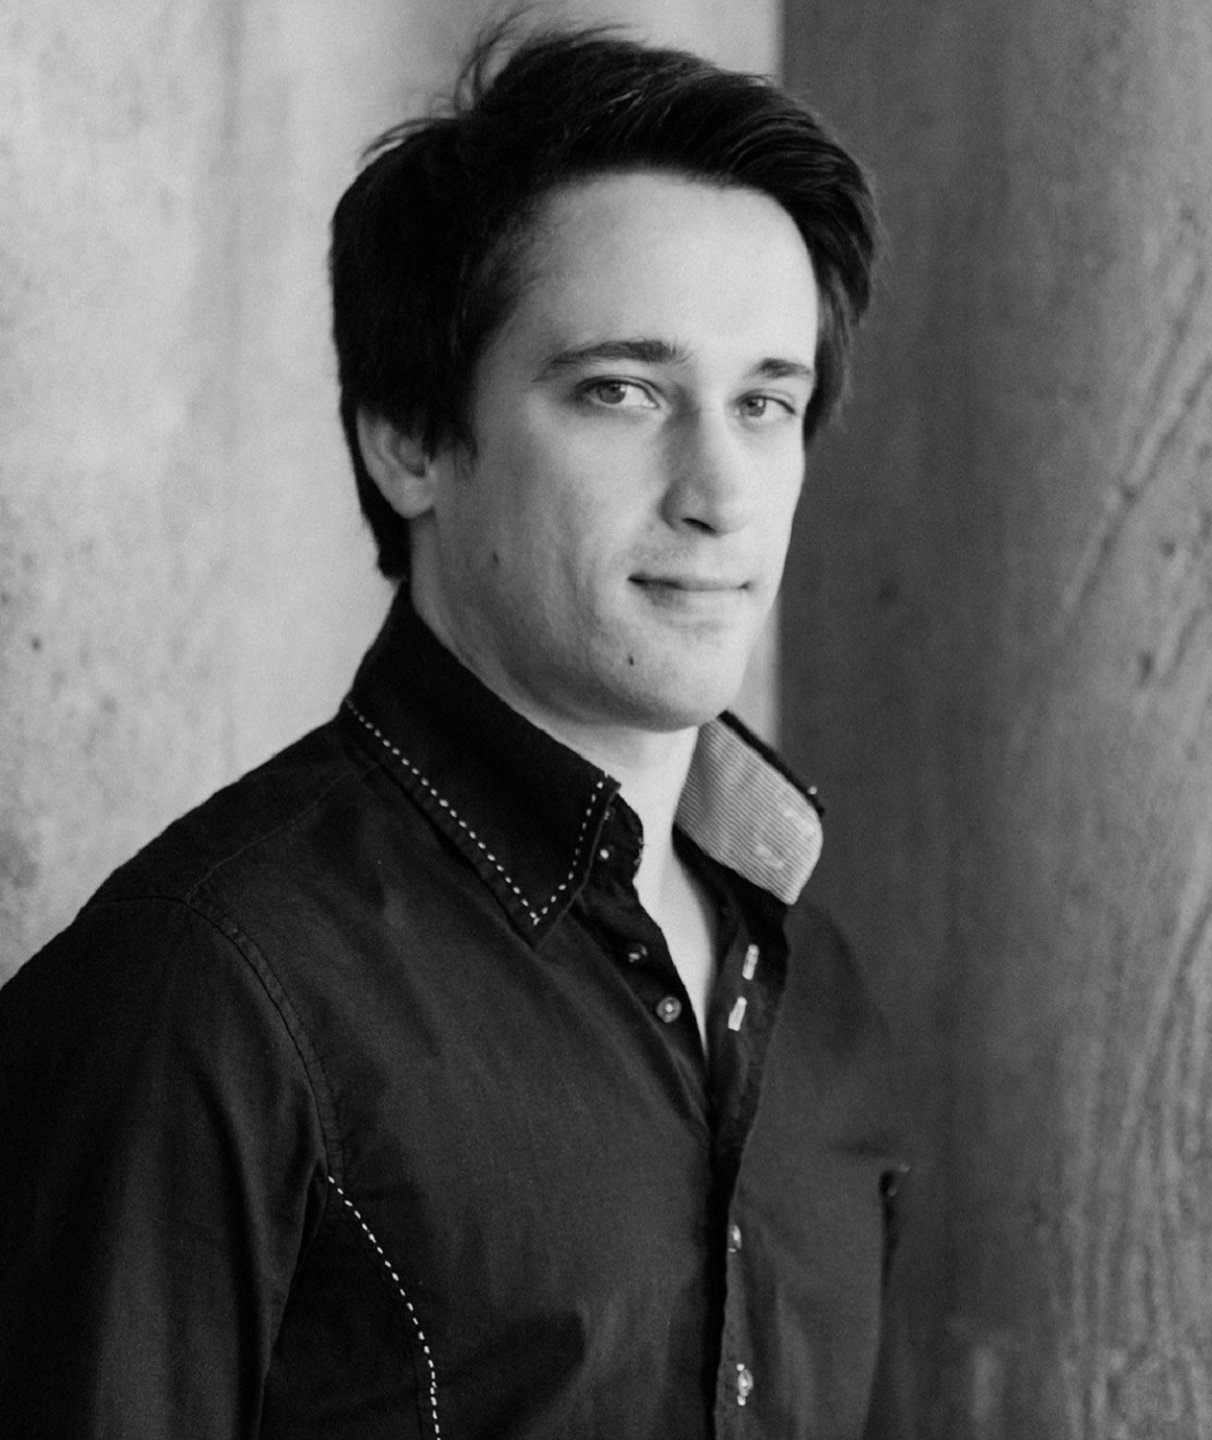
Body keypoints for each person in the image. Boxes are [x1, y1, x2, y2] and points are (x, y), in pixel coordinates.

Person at [0, 24, 908, 1439]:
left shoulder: (816, 997)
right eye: (623, 391)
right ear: (408, 439)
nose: (721, 492)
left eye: (765, 403)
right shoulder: (205, 991)